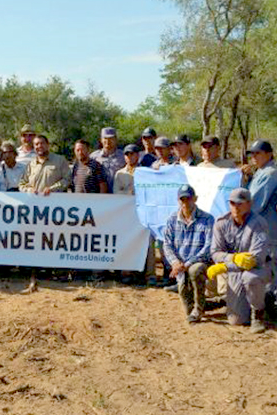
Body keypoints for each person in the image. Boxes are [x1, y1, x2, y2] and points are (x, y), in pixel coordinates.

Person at [207, 188, 270, 333]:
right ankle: (225, 300)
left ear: (249, 204)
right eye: (232, 203)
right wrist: (234, 258)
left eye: (240, 204)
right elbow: (215, 253)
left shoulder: (259, 223)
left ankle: (258, 314)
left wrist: (225, 267)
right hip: (235, 271)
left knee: (251, 278)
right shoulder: (221, 223)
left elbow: (255, 259)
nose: (236, 207)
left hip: (258, 269)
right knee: (236, 321)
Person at [164, 185, 215, 323]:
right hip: (180, 265)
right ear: (178, 200)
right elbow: (167, 244)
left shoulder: (208, 219)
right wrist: (175, 262)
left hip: (200, 262)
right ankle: (215, 303)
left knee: (195, 270)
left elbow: (208, 247)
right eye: (182, 199)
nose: (185, 202)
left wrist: (186, 264)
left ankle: (198, 310)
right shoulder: (172, 219)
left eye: (189, 199)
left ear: (195, 199)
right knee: (187, 307)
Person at [243, 140, 277, 312]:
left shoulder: (270, 173)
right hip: (261, 228)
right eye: (252, 153)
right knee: (262, 263)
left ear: (269, 154)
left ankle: (273, 304)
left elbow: (253, 202)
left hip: (269, 229)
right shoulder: (260, 172)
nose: (253, 157)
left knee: (270, 265)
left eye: (257, 153)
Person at [114, 144, 156, 284]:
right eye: (127, 154)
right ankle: (126, 272)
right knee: (127, 241)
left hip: (144, 213)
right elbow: (116, 193)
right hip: (126, 214)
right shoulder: (119, 173)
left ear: (138, 155)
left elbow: (151, 192)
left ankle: (150, 275)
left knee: (148, 243)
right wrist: (128, 193)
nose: (130, 156)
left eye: (133, 154)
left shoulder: (146, 172)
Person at [90, 127, 125, 192]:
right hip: (99, 196)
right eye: (105, 138)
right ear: (101, 140)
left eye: (111, 138)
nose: (108, 141)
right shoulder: (94, 157)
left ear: (116, 139)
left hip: (118, 195)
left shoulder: (123, 156)